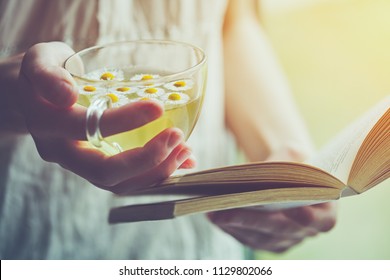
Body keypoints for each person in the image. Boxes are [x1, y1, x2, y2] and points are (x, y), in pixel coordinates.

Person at [0, 0, 336, 259]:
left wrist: (279, 150)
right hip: (31, 233)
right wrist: (11, 99)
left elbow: (231, 16)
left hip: (193, 245)